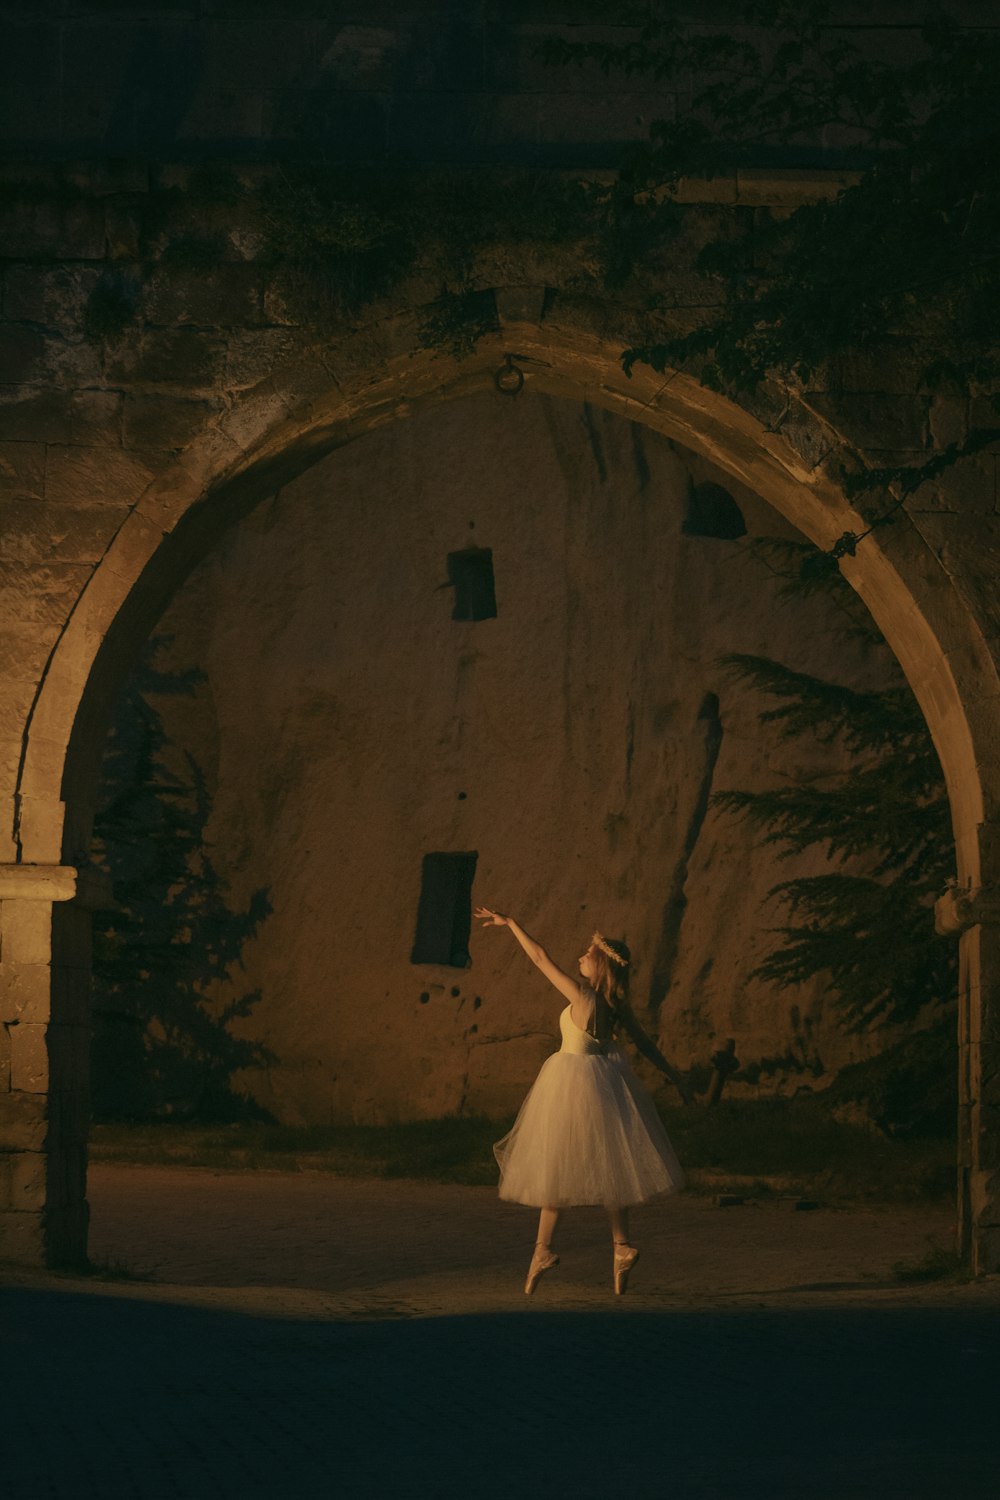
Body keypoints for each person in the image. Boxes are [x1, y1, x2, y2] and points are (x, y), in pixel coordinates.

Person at [475, 907, 687, 1296]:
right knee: (612, 1170)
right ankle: (621, 1247)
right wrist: (677, 1078)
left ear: (602, 963)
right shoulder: (614, 1006)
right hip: (605, 1087)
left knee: (555, 1167)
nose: (580, 957)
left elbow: (539, 958)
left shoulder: (583, 994)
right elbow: (646, 1045)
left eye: (588, 954)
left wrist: (511, 925)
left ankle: (542, 1251)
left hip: (570, 1085)